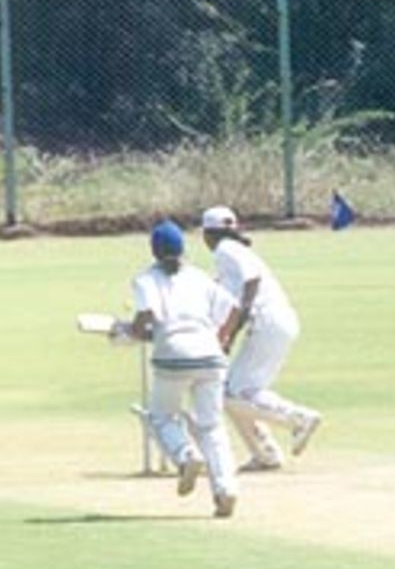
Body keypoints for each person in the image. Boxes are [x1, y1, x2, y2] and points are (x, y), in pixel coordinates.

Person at [115, 220, 241, 518]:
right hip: (210, 354)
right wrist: (223, 337)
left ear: (154, 251)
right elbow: (234, 309)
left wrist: (129, 331)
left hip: (172, 354)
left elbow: (146, 317)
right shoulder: (200, 277)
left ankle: (185, 456)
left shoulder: (146, 279)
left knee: (160, 417)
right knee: (211, 426)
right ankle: (226, 489)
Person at [200, 206, 322, 472]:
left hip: (268, 324)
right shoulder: (234, 252)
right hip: (274, 324)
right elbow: (225, 301)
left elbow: (250, 284)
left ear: (207, 234)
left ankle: (299, 419)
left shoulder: (226, 250)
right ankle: (265, 453)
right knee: (233, 391)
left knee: (235, 392)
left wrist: (230, 333)